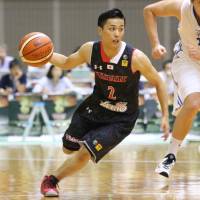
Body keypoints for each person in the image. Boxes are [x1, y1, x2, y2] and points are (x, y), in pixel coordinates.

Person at [25, 8, 169, 197]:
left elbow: (159, 82)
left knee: (86, 151)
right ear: (100, 30)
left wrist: (165, 115)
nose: (117, 33)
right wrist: (45, 55)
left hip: (121, 118)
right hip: (94, 108)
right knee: (68, 149)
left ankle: (51, 180)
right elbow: (68, 62)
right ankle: (74, 150)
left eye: (121, 28)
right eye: (111, 28)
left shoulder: (135, 57)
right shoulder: (90, 49)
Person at [143, 0, 200, 178]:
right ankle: (170, 156)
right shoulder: (182, 7)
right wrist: (155, 44)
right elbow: (149, 11)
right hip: (188, 62)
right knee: (193, 103)